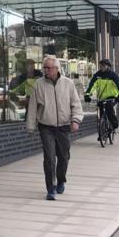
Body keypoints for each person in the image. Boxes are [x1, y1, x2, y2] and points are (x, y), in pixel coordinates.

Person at [26, 55, 83, 200]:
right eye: (44, 67)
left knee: (64, 157)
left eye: (48, 68)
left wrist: (75, 120)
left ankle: (61, 180)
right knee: (49, 158)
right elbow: (33, 107)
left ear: (57, 68)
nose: (46, 70)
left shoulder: (68, 84)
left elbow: (76, 104)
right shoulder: (39, 84)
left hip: (64, 126)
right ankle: (50, 188)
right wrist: (31, 127)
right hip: (46, 127)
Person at [83, 58, 119, 133]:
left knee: (109, 109)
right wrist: (87, 94)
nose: (101, 67)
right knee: (102, 113)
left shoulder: (113, 75)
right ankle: (103, 132)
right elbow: (92, 86)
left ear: (108, 66)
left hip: (112, 97)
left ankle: (114, 123)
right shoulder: (97, 75)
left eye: (103, 65)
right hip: (102, 98)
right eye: (101, 65)